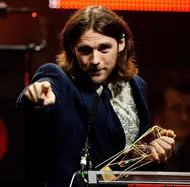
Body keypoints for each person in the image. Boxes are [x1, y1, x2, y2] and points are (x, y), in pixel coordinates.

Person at [16, 5, 175, 187]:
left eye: (104, 48)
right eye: (85, 50)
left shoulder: (136, 86)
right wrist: (34, 95)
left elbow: (132, 162)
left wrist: (155, 153)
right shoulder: (60, 80)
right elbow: (34, 95)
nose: (95, 60)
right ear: (72, 48)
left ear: (121, 43)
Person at [149, 69, 190, 171]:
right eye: (175, 109)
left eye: (189, 110)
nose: (184, 117)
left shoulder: (185, 151)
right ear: (159, 113)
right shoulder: (142, 148)